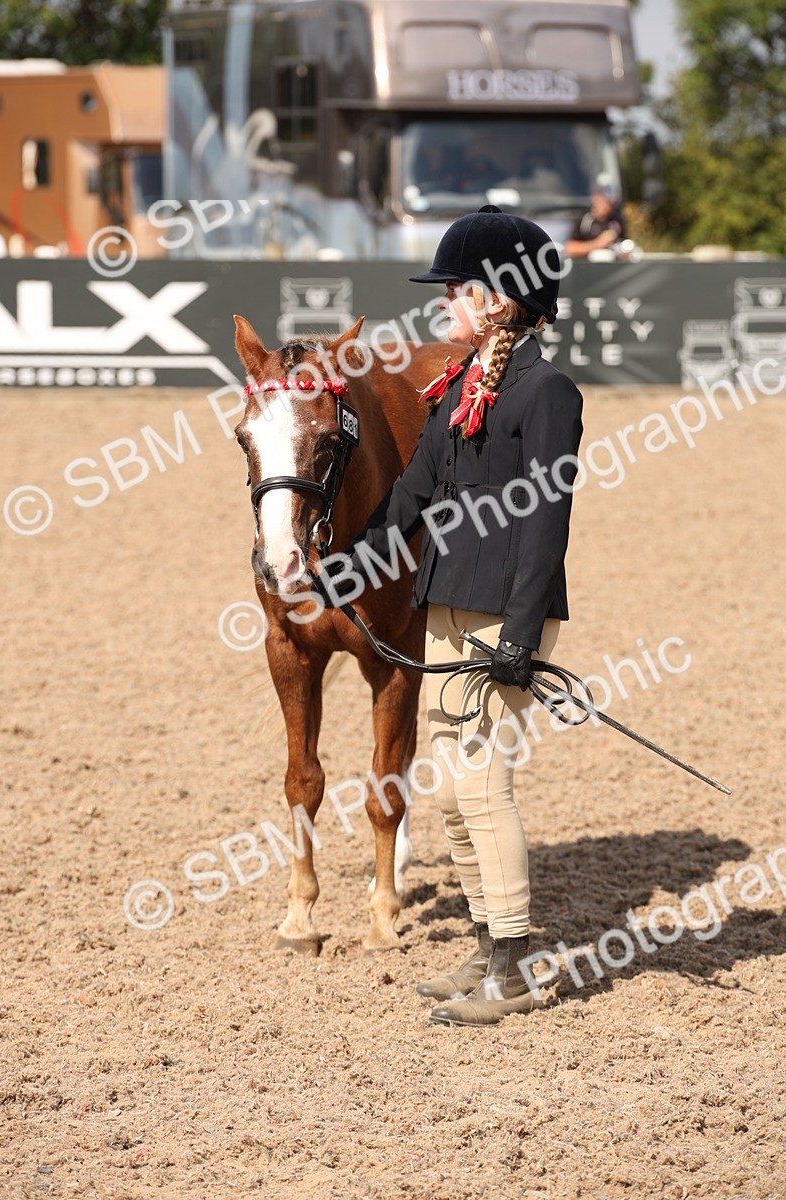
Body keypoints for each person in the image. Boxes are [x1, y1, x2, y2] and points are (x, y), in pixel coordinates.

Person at [319, 205, 583, 1027]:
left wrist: (518, 633)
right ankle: (483, 941)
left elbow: (547, 521)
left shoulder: (547, 393)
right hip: (445, 602)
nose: (444, 306)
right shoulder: (460, 387)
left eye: (457, 291)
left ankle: (512, 966)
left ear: (499, 299)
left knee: (483, 782)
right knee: (450, 791)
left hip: (505, 613)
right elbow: (411, 495)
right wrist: (349, 568)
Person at [565, 185, 626, 259]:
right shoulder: (584, 220)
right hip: (589, 265)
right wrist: (597, 244)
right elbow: (570, 248)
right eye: (604, 200)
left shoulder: (616, 220)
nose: (608, 204)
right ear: (595, 199)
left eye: (610, 200)